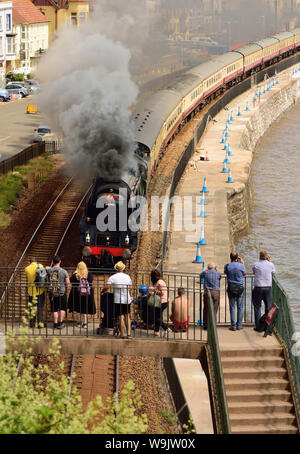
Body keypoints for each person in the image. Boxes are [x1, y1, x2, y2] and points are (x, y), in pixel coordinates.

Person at [252, 250, 276, 331]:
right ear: (266, 256)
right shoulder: (271, 265)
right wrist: (270, 262)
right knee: (268, 307)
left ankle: (258, 327)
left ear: (259, 256)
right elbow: (273, 273)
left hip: (258, 287)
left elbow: (254, 272)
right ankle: (266, 326)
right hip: (268, 288)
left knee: (257, 307)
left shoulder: (255, 264)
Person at [107, 261, 132, 339]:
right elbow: (130, 287)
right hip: (126, 299)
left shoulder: (113, 277)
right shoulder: (127, 277)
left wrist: (103, 290)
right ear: (123, 268)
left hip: (118, 299)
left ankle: (122, 334)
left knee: (120, 317)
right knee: (127, 316)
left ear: (116, 269)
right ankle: (129, 333)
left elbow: (107, 286)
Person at [67, 261, 96, 329]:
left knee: (78, 308)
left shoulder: (75, 275)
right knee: (84, 308)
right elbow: (91, 281)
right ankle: (85, 323)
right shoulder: (89, 274)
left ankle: (79, 322)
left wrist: (74, 273)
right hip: (86, 294)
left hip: (77, 293)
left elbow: (71, 281)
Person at [224, 251, 246, 331]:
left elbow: (226, 273)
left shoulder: (227, 266)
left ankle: (233, 325)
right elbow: (244, 273)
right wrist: (242, 263)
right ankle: (239, 325)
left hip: (231, 288)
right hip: (239, 288)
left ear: (230, 258)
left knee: (232, 307)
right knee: (240, 307)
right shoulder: (241, 265)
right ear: (237, 258)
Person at [47, 256, 70, 329]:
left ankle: (55, 324)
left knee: (54, 309)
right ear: (60, 262)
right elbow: (68, 283)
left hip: (52, 293)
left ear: (53, 262)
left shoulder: (49, 270)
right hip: (61, 292)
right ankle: (60, 323)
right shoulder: (64, 271)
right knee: (62, 309)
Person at [25, 257, 46, 328]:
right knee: (40, 307)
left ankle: (32, 323)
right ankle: (40, 323)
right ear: (36, 261)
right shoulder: (40, 266)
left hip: (31, 291)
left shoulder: (27, 268)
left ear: (29, 262)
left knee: (32, 308)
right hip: (40, 290)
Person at [200, 263, 221, 330]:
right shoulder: (218, 273)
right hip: (215, 292)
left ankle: (205, 325)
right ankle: (213, 325)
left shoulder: (205, 273)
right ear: (215, 267)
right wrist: (216, 270)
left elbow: (200, 276)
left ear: (208, 268)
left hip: (207, 292)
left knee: (206, 308)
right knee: (214, 309)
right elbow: (220, 278)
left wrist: (205, 270)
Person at [150, 269, 170, 337]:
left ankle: (166, 328)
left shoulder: (160, 282)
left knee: (155, 317)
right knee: (158, 316)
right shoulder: (158, 281)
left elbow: (162, 293)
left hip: (162, 302)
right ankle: (156, 331)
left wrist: (154, 292)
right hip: (161, 301)